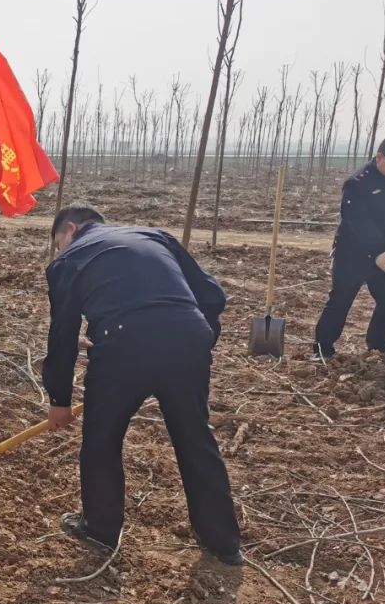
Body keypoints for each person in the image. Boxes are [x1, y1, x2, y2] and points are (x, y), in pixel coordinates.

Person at [42, 204, 242, 566]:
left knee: (102, 439)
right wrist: (198, 336)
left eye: (58, 243)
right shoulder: (154, 235)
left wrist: (59, 398)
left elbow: (63, 334)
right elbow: (212, 295)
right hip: (187, 338)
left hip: (123, 345)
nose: (60, 250)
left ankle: (101, 529)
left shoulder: (68, 259)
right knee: (195, 437)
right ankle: (223, 541)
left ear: (69, 230)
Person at [312, 132, 385, 360]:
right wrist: (378, 251)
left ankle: (379, 342)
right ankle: (323, 348)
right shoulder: (358, 183)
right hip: (352, 253)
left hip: (384, 251)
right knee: (341, 298)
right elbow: (357, 221)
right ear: (380, 157)